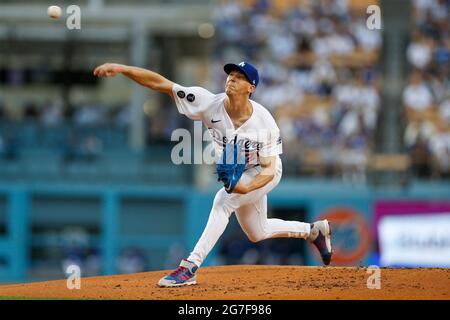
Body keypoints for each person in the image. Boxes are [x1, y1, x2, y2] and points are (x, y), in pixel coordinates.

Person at [93, 61, 333, 287]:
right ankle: (313, 231)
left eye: (240, 78)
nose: (232, 79)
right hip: (239, 174)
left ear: (252, 88)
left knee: (223, 201)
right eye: (231, 75)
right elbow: (161, 84)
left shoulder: (264, 122)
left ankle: (189, 267)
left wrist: (246, 188)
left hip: (263, 172)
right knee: (257, 232)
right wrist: (122, 68)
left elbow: (270, 168)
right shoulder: (208, 103)